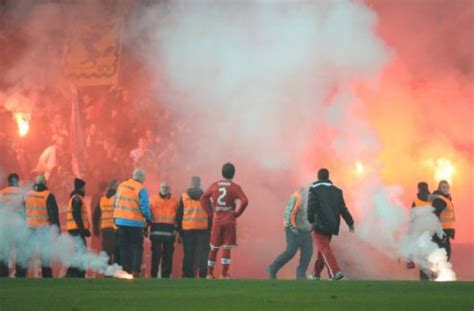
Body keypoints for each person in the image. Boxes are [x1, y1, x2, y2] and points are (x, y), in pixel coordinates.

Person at [200, 162, 248, 279]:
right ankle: (224, 274)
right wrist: (237, 214)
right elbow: (245, 200)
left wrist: (210, 214)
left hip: (217, 219)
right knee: (226, 247)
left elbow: (203, 199)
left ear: (222, 172)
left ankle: (210, 274)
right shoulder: (235, 187)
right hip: (229, 219)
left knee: (213, 247)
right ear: (233, 173)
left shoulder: (214, 185)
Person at [307, 168, 354, 280]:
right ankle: (315, 274)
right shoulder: (337, 191)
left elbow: (311, 207)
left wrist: (310, 220)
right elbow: (343, 209)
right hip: (332, 225)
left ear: (318, 177)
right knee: (322, 250)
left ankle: (335, 272)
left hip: (319, 224)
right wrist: (350, 222)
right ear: (328, 177)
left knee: (324, 249)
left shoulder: (314, 189)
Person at [267, 186, 313, 280]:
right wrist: (292, 227)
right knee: (290, 252)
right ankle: (272, 268)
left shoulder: (311, 198)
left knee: (307, 253)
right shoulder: (297, 197)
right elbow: (288, 213)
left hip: (305, 230)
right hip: (293, 229)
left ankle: (301, 275)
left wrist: (311, 227)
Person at [114, 168, 151, 277]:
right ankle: (135, 271)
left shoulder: (121, 185)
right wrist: (148, 219)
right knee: (137, 247)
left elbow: (115, 202)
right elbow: (144, 207)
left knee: (124, 247)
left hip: (120, 221)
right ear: (142, 178)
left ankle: (126, 271)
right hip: (134, 222)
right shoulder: (140, 189)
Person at [22, 174, 60, 278]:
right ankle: (47, 278)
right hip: (43, 230)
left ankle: (19, 275)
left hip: (29, 229)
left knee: (26, 254)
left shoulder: (27, 194)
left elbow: (21, 212)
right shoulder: (48, 195)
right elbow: (54, 215)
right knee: (45, 256)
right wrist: (57, 231)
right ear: (45, 183)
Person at [177, 176, 210, 279]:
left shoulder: (184, 196)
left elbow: (179, 215)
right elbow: (210, 214)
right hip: (203, 229)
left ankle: (187, 274)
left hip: (188, 229)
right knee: (203, 252)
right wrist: (209, 229)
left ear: (190, 184)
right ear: (200, 184)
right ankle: (203, 273)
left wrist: (180, 232)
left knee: (188, 252)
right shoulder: (206, 197)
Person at [149, 181, 179, 278]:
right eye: (163, 187)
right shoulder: (152, 199)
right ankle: (154, 274)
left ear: (169, 189)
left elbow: (178, 217)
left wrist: (176, 229)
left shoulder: (174, 201)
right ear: (159, 188)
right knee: (156, 255)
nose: (164, 189)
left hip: (169, 232)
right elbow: (148, 214)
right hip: (156, 231)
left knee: (168, 255)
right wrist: (145, 227)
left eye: (166, 187)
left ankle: (166, 275)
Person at [406, 182, 434, 280]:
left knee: (423, 257)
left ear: (418, 189)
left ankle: (424, 279)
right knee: (431, 256)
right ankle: (434, 277)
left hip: (420, 232)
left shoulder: (416, 201)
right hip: (431, 231)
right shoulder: (432, 200)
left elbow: (412, 219)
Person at [0, 173, 25, 277]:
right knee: (20, 249)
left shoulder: (2, 193)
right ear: (17, 181)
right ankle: (19, 273)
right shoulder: (22, 192)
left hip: (5, 224)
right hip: (18, 225)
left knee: (4, 249)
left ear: (8, 181)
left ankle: (3, 272)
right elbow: (25, 209)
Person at [65, 178, 91, 278]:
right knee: (81, 251)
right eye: (85, 187)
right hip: (76, 229)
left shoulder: (77, 197)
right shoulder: (77, 198)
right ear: (81, 187)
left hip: (75, 229)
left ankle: (76, 273)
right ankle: (74, 272)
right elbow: (76, 214)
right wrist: (82, 229)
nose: (86, 189)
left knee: (79, 251)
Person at [93, 180, 119, 265]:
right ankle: (116, 273)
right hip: (115, 229)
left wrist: (96, 229)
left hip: (105, 229)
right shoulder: (117, 199)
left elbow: (95, 216)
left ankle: (107, 274)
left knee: (107, 253)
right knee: (117, 252)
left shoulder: (102, 199)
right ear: (116, 187)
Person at [431, 180, 455, 262]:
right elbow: (434, 215)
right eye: (443, 187)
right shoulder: (440, 200)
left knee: (444, 254)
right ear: (439, 188)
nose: (446, 189)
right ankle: (438, 272)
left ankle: (437, 272)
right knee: (444, 254)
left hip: (445, 232)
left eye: (447, 187)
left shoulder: (446, 199)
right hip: (441, 232)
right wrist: (439, 230)